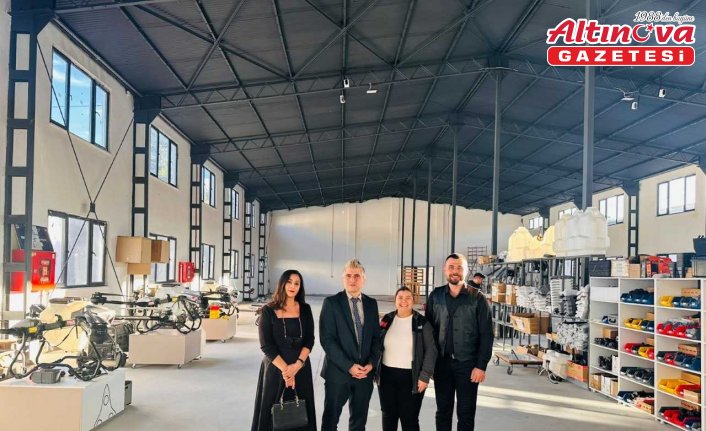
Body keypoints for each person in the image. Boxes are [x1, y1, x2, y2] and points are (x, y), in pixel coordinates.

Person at [426, 253, 494, 431]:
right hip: (442, 364)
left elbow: (487, 334)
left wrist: (481, 366)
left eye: (459, 267)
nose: (455, 271)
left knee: (466, 413)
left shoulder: (478, 298)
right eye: (451, 267)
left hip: (468, 366)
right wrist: (429, 365)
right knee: (443, 411)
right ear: (445, 270)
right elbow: (428, 332)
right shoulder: (435, 296)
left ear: (466, 271)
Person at [320, 259, 381, 431]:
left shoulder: (371, 304)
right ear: (343, 278)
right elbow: (327, 340)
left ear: (363, 279)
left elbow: (376, 338)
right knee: (330, 420)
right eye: (348, 275)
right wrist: (349, 366)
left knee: (359, 422)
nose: (352, 279)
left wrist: (371, 364)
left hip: (364, 374)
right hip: (338, 373)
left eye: (357, 276)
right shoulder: (331, 303)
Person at [252, 270, 316, 431]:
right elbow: (266, 346)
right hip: (275, 369)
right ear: (282, 284)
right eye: (289, 282)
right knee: (272, 415)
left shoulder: (305, 309)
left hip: (300, 369)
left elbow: (309, 340)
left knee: (300, 414)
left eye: (297, 283)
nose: (293, 286)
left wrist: (297, 365)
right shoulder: (268, 310)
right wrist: (287, 372)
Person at [376, 287, 437, 431]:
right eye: (400, 297)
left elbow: (431, 350)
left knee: (409, 418)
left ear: (413, 301)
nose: (404, 301)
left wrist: (425, 376)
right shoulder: (387, 319)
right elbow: (377, 343)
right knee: (388, 415)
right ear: (395, 301)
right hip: (386, 375)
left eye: (408, 298)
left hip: (411, 377)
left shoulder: (422, 322)